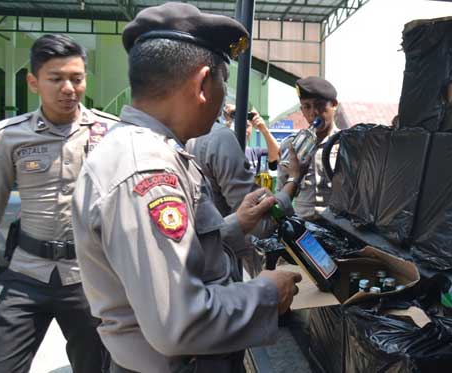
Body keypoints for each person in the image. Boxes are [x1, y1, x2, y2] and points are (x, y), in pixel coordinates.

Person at [71, 3, 302, 372]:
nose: (223, 99)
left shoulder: (148, 151)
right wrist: (267, 293)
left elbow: (173, 253)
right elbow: (179, 322)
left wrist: (233, 226)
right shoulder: (146, 171)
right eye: (222, 85)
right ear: (201, 83)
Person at [0, 34, 116, 372]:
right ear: (34, 82)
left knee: (100, 366)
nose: (69, 88)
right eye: (56, 78)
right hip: (27, 274)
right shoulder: (9, 136)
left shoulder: (111, 134)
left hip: (90, 278)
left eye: (77, 78)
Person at [186, 107, 300, 276]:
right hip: (225, 261)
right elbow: (261, 223)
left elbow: (276, 155)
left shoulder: (251, 151)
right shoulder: (219, 139)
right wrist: (293, 179)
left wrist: (263, 129)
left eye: (247, 124)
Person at [276, 76, 340, 221]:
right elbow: (281, 194)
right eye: (307, 107)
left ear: (334, 105)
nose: (314, 112)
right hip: (304, 227)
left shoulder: (345, 144)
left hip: (337, 229)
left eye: (320, 105)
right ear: (301, 110)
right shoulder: (291, 146)